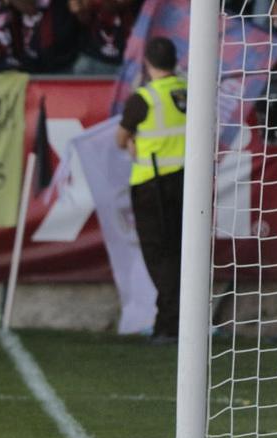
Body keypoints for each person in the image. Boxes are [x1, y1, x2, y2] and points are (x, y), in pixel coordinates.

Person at [115, 37, 186, 344]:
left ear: (147, 63)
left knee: (160, 257)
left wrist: (132, 142)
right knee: (179, 254)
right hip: (187, 182)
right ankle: (170, 320)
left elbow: (120, 138)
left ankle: (170, 323)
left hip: (153, 185)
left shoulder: (144, 98)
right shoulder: (188, 91)